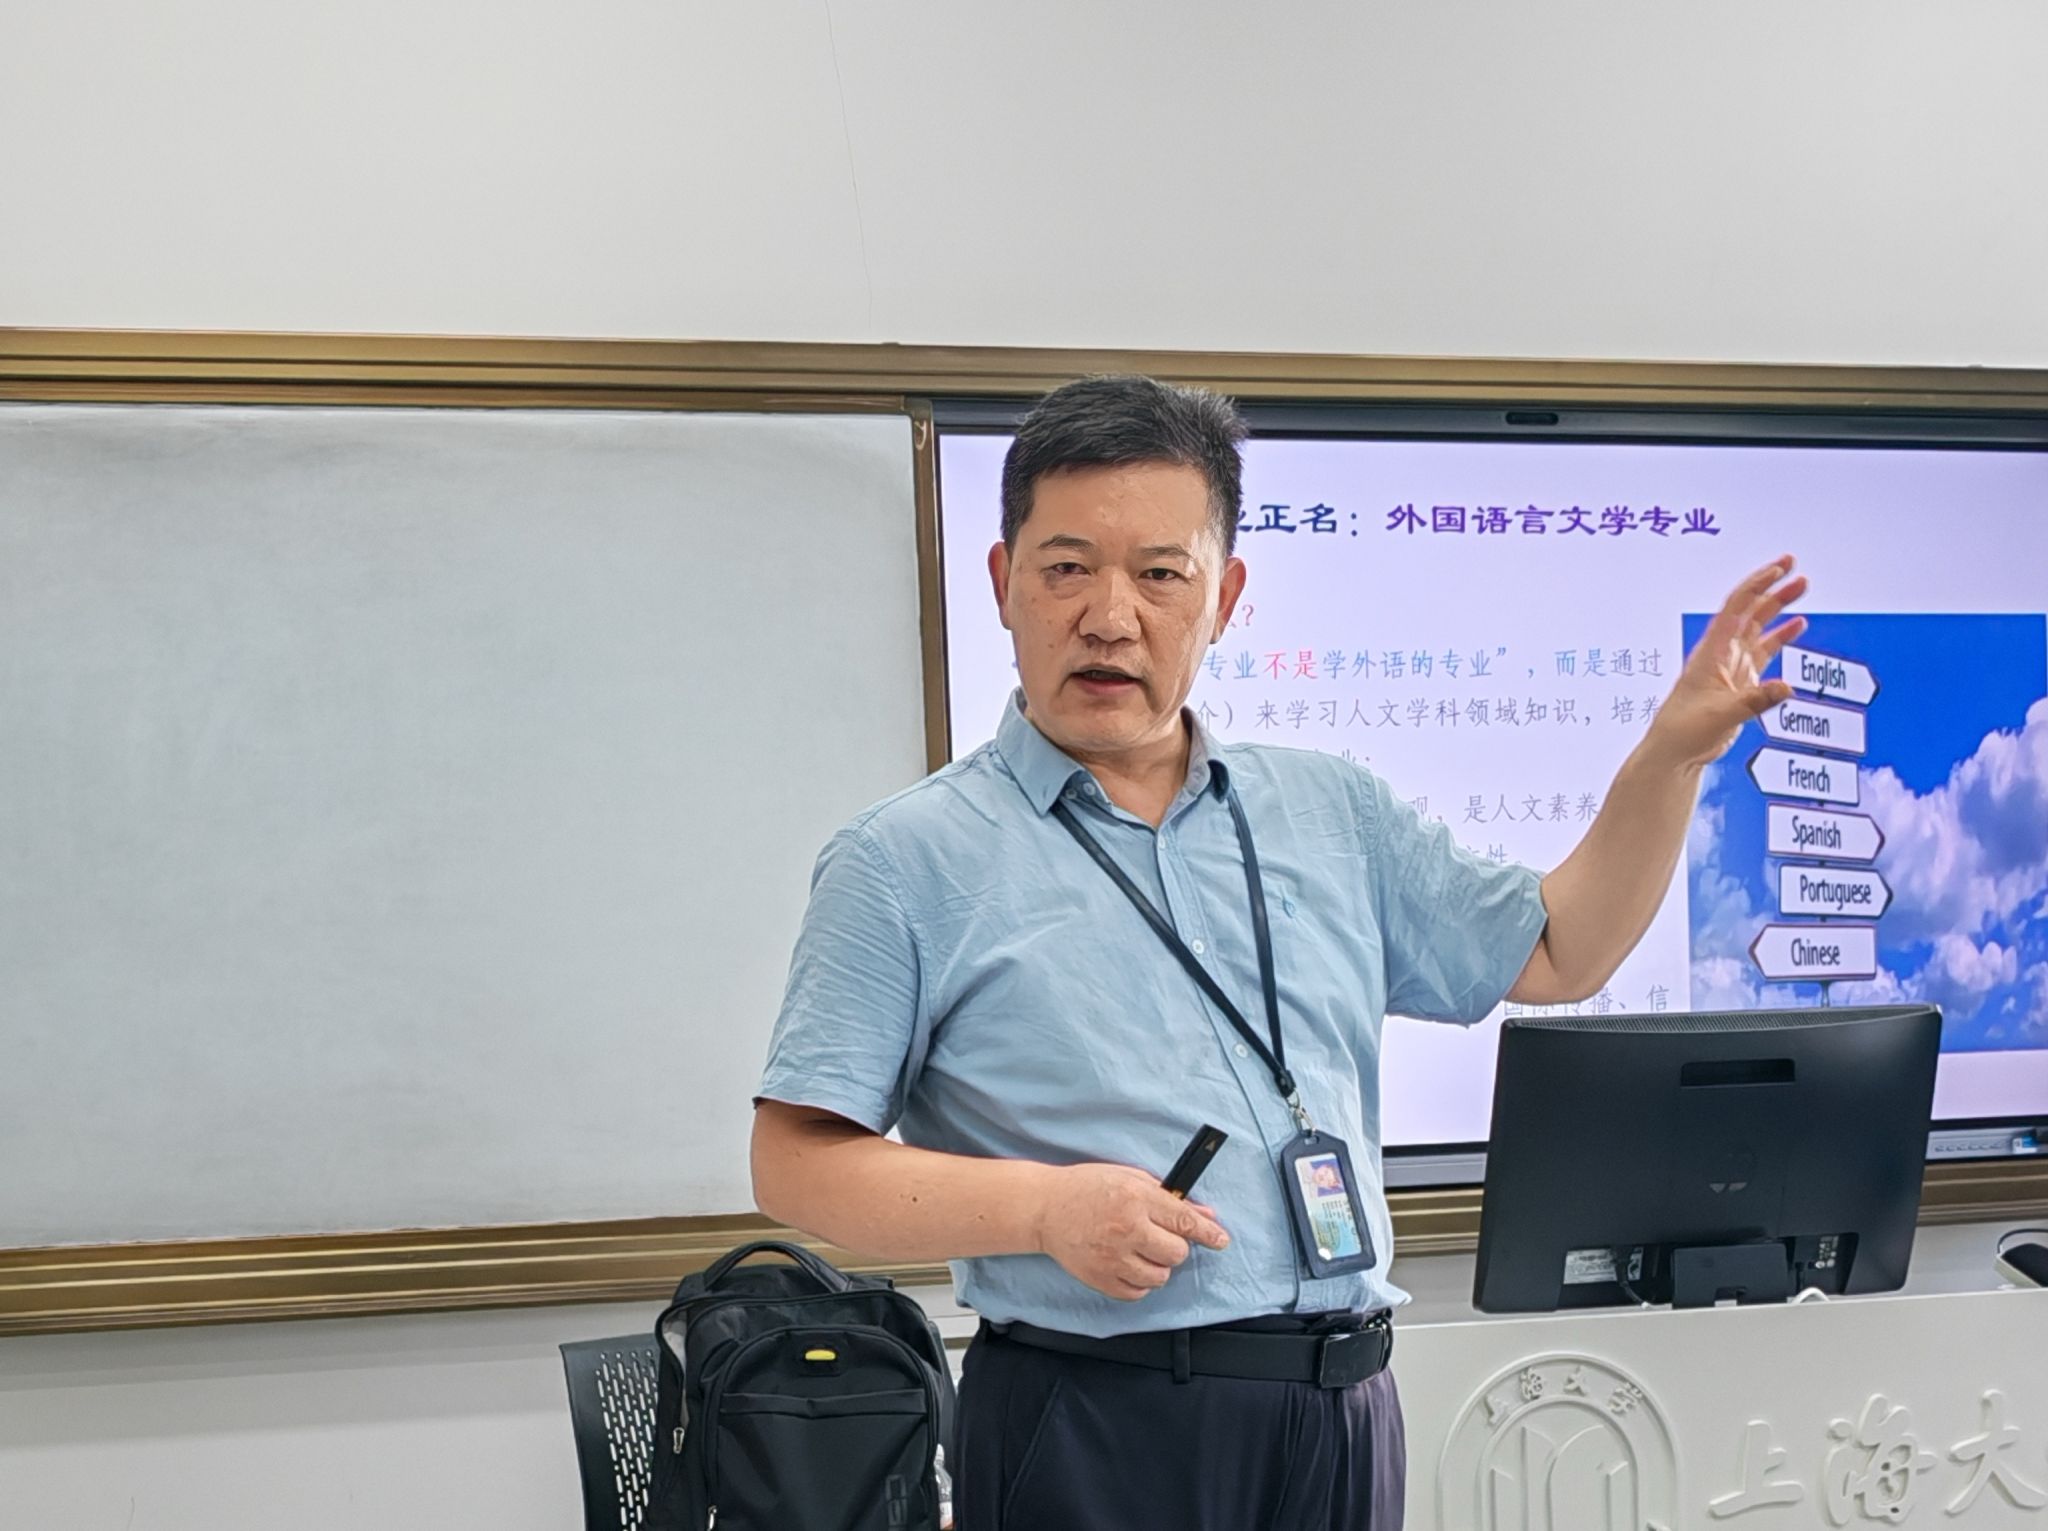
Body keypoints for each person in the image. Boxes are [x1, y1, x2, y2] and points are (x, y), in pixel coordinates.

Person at [751, 375, 1806, 1529]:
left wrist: (1667, 759)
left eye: (1160, 573)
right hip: (1094, 1412)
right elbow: (796, 1164)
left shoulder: (1329, 810)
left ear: (1224, 597)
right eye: (1066, 568)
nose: (1110, 615)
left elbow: (1559, 950)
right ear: (1003, 582)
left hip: (1343, 1406)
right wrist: (1042, 1210)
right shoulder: (904, 859)